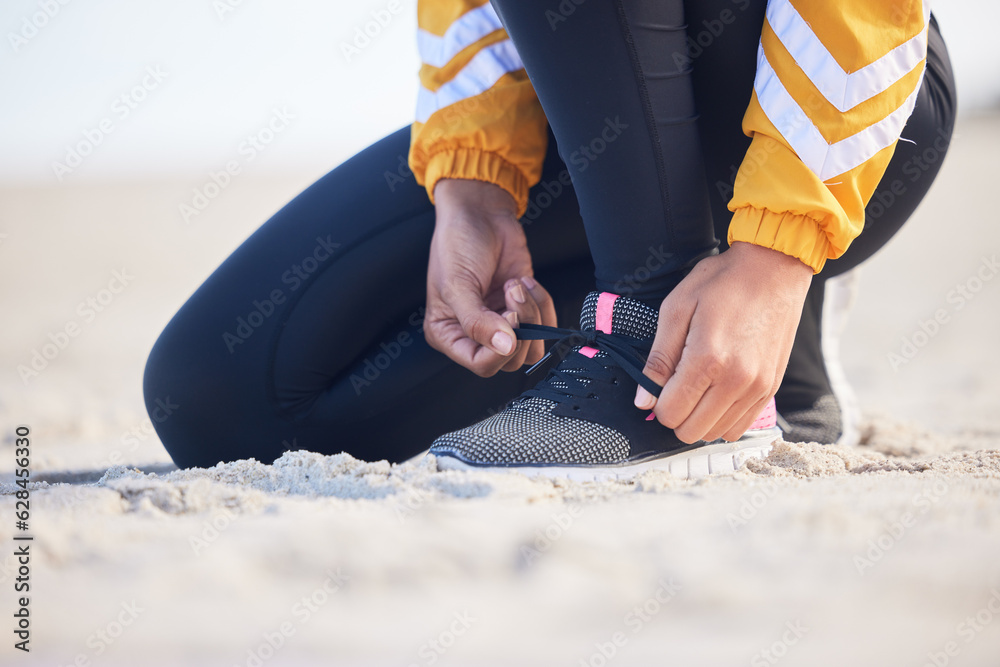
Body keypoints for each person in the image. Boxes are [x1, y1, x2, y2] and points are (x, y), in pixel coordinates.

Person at [143, 0, 956, 477]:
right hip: (583, 109)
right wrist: (475, 186)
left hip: (836, 100)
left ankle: (660, 320)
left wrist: (781, 247)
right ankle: (730, 337)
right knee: (217, 394)